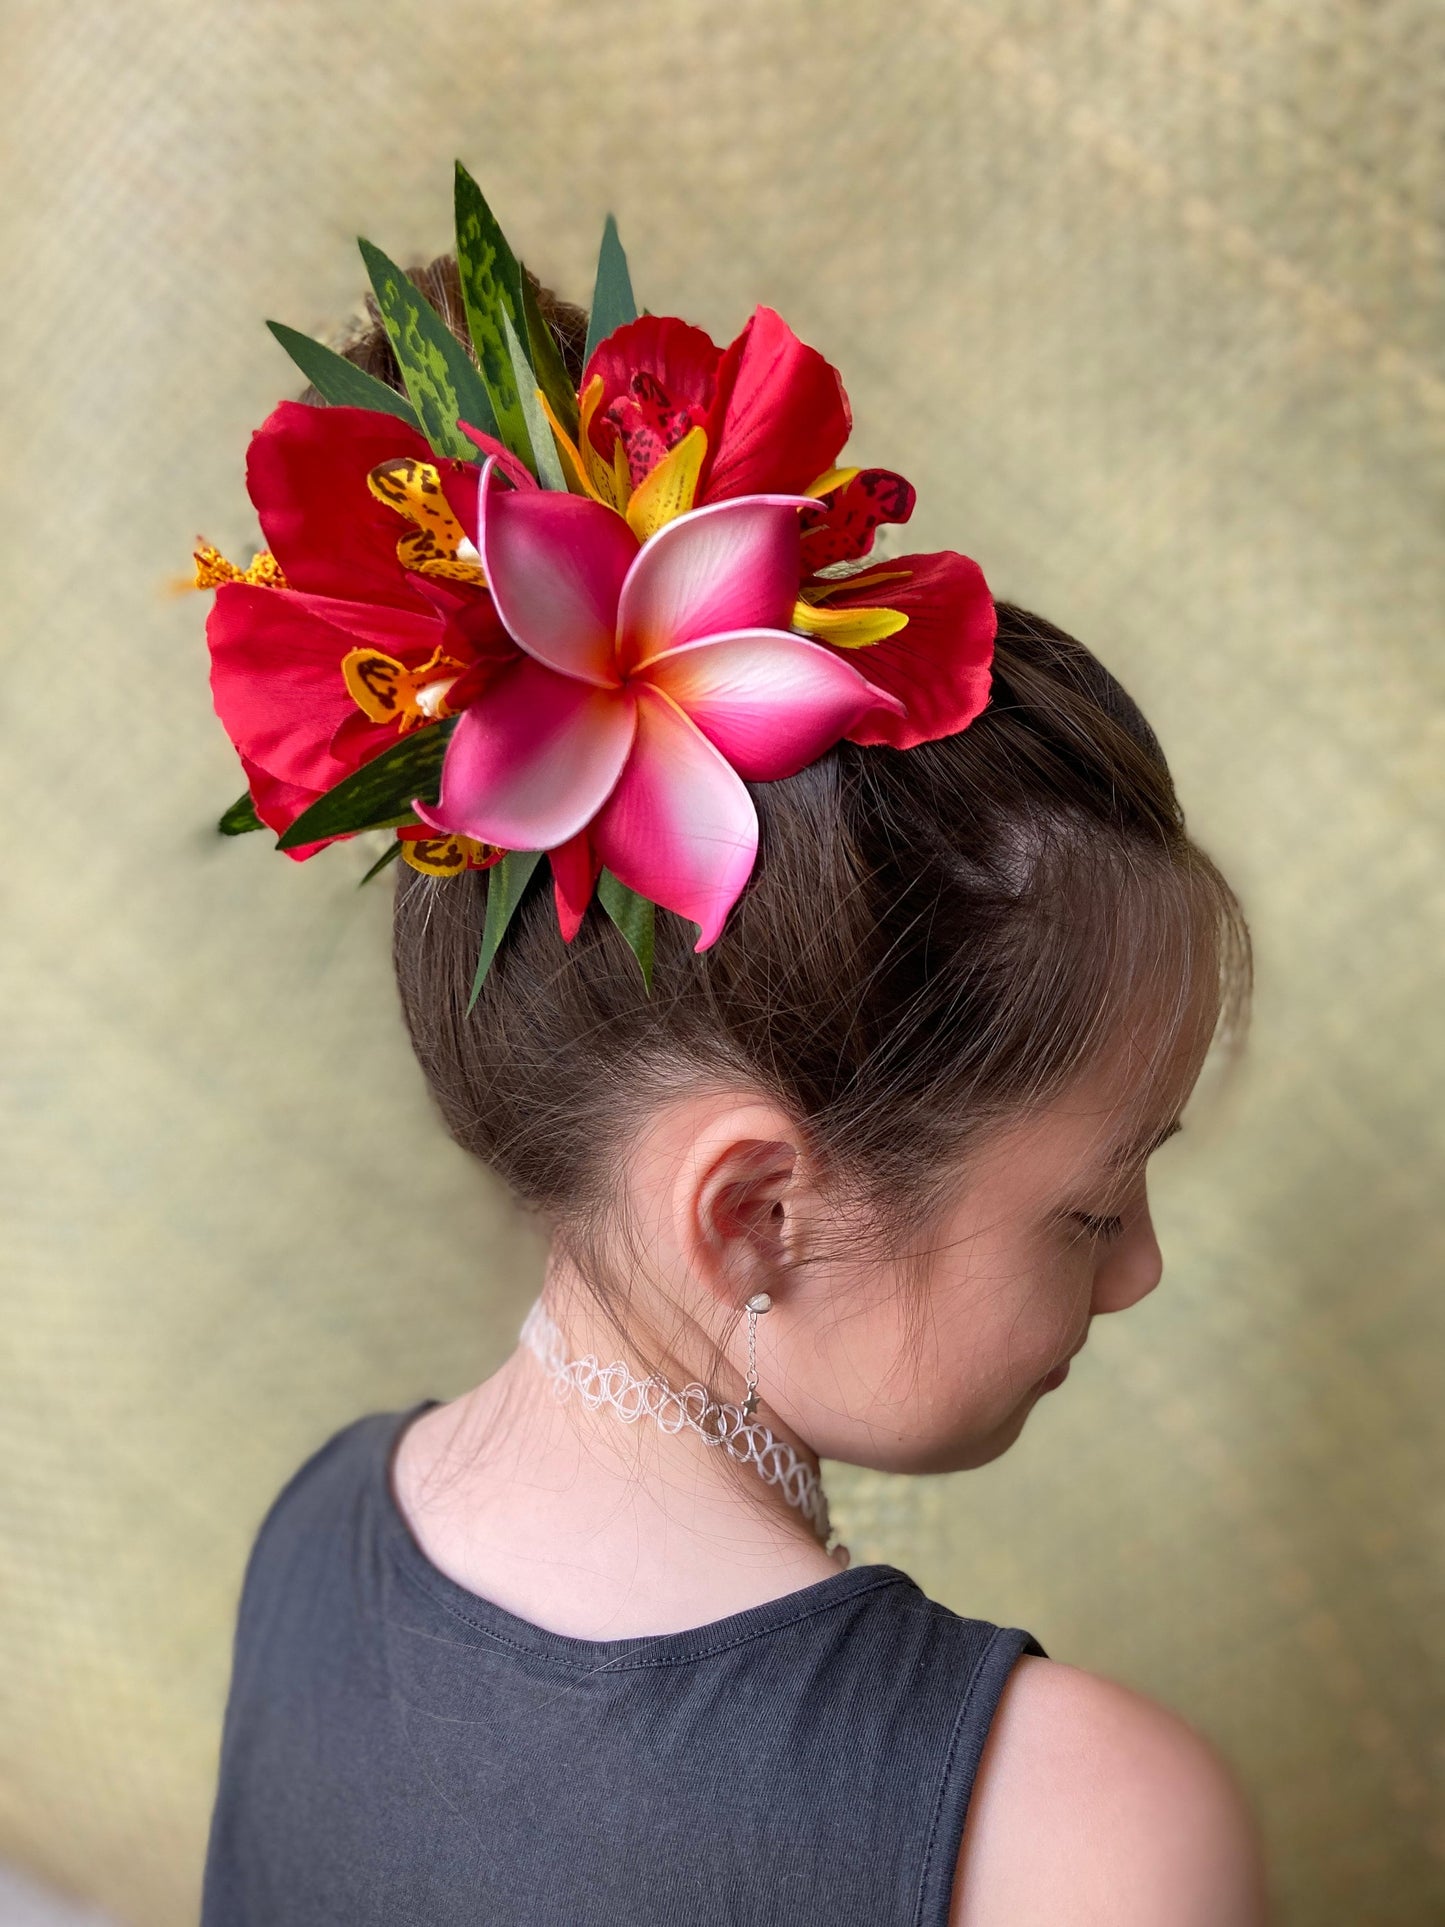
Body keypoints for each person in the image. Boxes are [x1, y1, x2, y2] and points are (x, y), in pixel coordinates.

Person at [199, 243, 1269, 1923]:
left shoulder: (314, 1536)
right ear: (758, 1210)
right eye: (1091, 1202)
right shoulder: (1071, 1825)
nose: (1136, 1269)